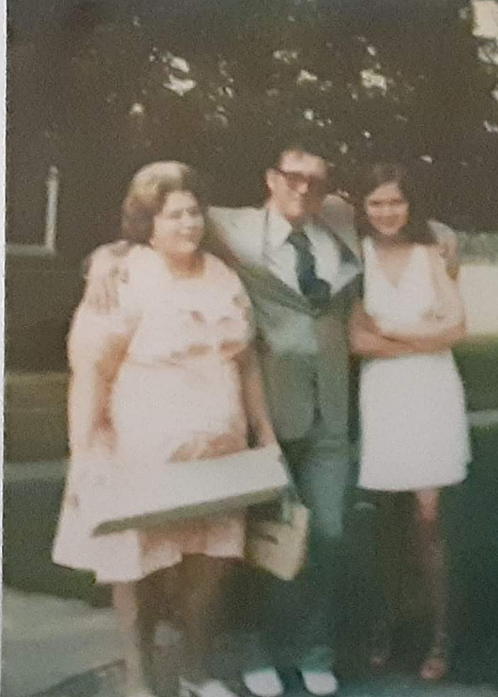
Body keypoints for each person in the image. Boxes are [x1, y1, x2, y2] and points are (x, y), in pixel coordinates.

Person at [83, 141, 459, 697]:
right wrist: (107, 255)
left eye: (315, 180)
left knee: (327, 535)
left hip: (331, 410)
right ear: (271, 178)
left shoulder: (337, 221)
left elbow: (403, 220)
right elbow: (159, 219)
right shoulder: (232, 227)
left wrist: (444, 234)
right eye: (292, 177)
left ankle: (310, 651)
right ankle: (255, 653)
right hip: (264, 412)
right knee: (257, 542)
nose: (303, 188)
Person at [53, 161, 278, 697]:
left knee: (212, 562)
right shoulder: (124, 276)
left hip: (219, 452)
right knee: (139, 567)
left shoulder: (223, 276)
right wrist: (84, 452)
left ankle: (195, 673)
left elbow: (247, 362)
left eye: (194, 212)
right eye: (174, 215)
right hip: (143, 452)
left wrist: (265, 434)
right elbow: (91, 371)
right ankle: (140, 682)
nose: (188, 224)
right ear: (147, 223)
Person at [349, 163, 470, 682]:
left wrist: (391, 329)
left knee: (428, 520)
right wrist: (423, 336)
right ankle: (387, 623)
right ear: (362, 207)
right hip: (384, 397)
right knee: (387, 522)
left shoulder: (430, 253)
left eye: (395, 202)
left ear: (411, 204)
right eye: (376, 203)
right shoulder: (356, 257)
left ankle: (441, 634)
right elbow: (358, 341)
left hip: (432, 394)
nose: (386, 212)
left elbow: (458, 328)